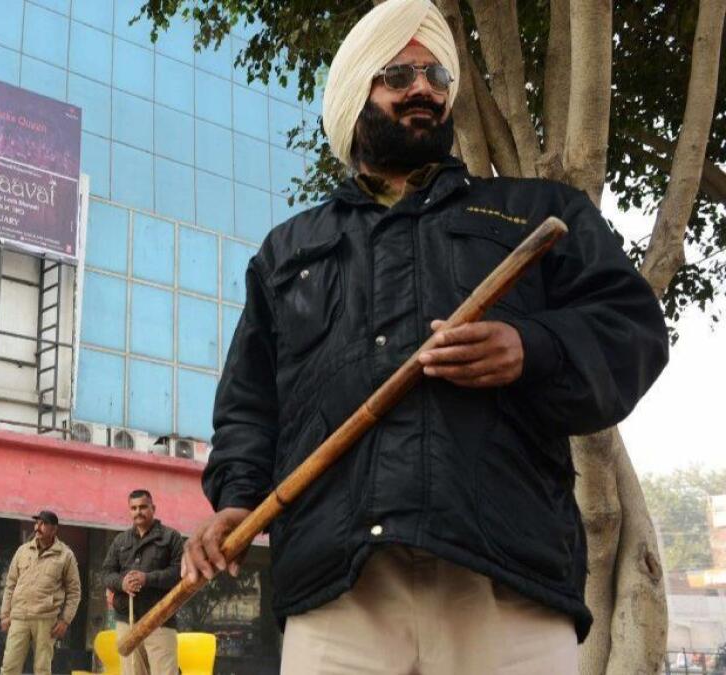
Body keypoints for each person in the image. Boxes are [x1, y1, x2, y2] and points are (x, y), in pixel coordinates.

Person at [180, 1, 669, 673]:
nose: (424, 88)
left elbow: (632, 327)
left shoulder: (536, 213)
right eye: (398, 73)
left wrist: (533, 349)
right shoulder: (287, 250)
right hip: (338, 594)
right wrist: (236, 499)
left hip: (507, 583)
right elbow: (249, 404)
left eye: (437, 73)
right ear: (356, 93)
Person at [101, 490, 182, 675]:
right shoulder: (120, 540)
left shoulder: (171, 537)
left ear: (153, 508)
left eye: (143, 507)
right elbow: (106, 573)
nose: (138, 511)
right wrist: (122, 583)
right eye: (134, 508)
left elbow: (179, 574)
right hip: (126, 621)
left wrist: (147, 578)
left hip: (160, 618)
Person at [0, 510, 81, 675]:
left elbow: (74, 591)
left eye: (43, 523)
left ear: (54, 529)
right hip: (19, 617)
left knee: (42, 669)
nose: (38, 527)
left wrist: (65, 621)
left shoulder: (65, 555)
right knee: (9, 667)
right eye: (37, 523)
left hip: (46, 620)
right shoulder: (23, 551)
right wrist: (5, 614)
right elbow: (10, 585)